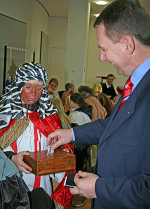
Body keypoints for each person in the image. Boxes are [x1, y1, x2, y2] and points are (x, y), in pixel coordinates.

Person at [47, 0, 150, 208]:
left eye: (104, 49)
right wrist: (71, 134)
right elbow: (111, 126)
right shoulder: (133, 85)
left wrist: (99, 188)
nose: (102, 58)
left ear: (128, 44)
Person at [0, 62, 74, 208]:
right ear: (19, 85)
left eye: (39, 88)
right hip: (11, 187)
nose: (33, 93)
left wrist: (60, 154)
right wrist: (11, 158)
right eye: (28, 87)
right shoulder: (4, 117)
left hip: (43, 186)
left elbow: (62, 148)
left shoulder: (50, 118)